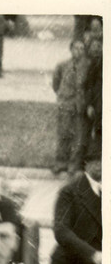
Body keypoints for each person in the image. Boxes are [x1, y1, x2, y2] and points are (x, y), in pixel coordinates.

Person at [51, 40, 87, 175]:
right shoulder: (62, 65)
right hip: (65, 103)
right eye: (76, 48)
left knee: (77, 135)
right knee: (63, 133)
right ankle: (60, 162)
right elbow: (56, 83)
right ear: (71, 49)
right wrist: (63, 96)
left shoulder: (87, 66)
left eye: (81, 48)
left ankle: (73, 164)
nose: (78, 51)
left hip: (79, 105)